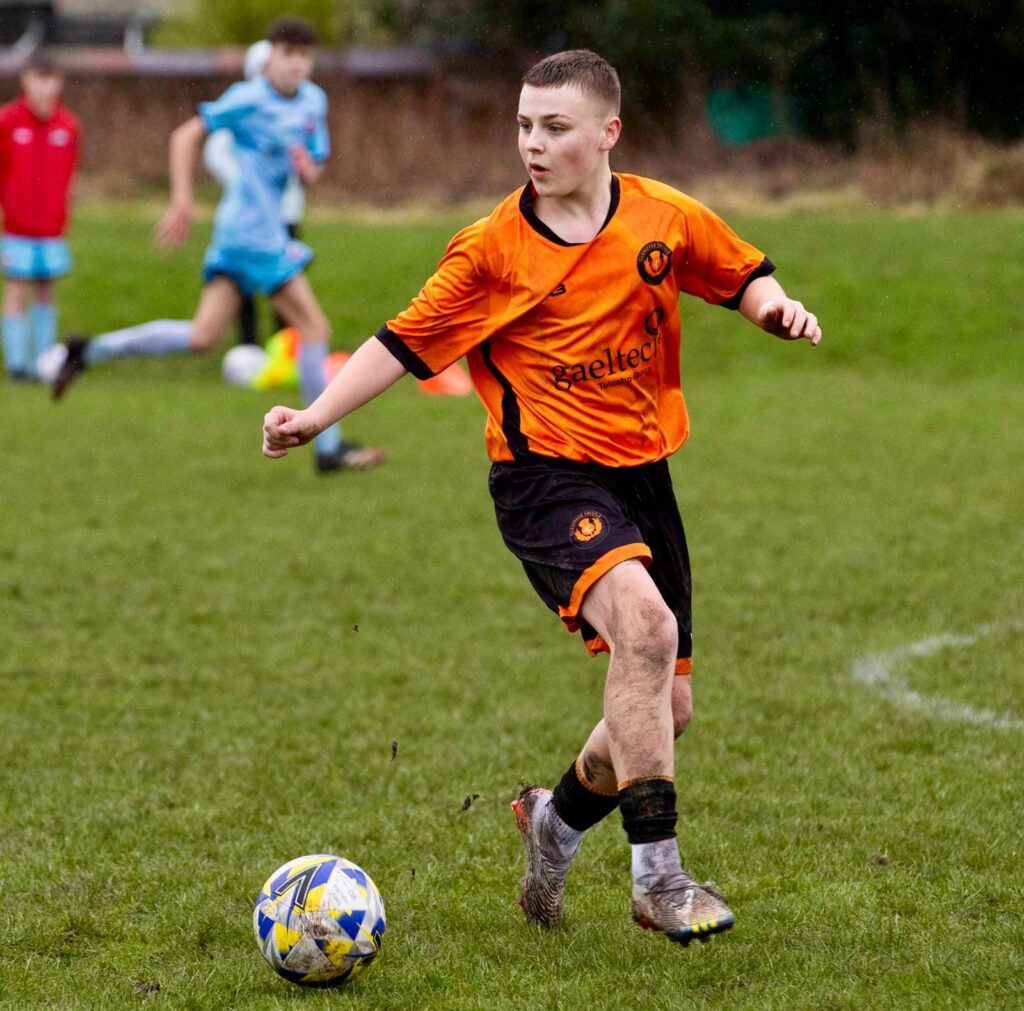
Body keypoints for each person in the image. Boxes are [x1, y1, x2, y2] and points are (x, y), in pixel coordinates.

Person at [263, 49, 821, 943]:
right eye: (524, 124)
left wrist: (776, 308)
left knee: (662, 711)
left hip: (643, 477)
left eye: (554, 126)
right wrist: (315, 414)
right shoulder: (491, 250)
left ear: (608, 133)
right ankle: (660, 878)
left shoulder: (661, 216)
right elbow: (401, 343)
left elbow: (741, 271)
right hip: (542, 476)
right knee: (644, 628)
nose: (532, 142)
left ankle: (553, 824)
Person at [47, 16, 384, 474]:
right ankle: (328, 450)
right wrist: (182, 201)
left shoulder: (312, 101)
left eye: (305, 57)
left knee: (203, 336)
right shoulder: (248, 98)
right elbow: (184, 136)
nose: (297, 66)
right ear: (270, 56)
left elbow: (314, 164)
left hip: (247, 235)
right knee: (316, 330)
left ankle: (88, 350)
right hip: (254, 236)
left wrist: (308, 169)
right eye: (289, 55)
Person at [203, 38, 305, 347]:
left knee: (291, 298)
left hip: (283, 215)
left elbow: (307, 160)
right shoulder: (244, 105)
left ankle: (283, 347)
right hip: (247, 221)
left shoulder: (300, 107)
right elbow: (211, 146)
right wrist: (246, 184)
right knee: (238, 297)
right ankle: (248, 346)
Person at [0, 50, 79, 382]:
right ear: (25, 80)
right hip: (16, 226)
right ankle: (17, 364)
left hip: (51, 228)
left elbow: (70, 175)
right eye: (39, 79)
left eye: (51, 79)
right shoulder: (7, 121)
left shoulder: (69, 125)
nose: (46, 87)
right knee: (16, 287)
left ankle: (42, 362)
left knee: (46, 288)